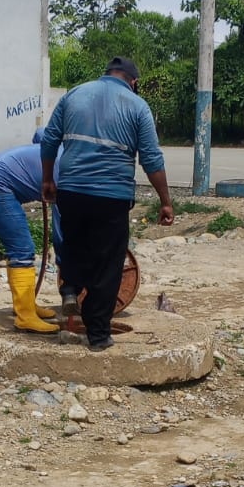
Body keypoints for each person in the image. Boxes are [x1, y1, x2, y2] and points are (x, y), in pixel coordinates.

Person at [40, 56, 174, 351]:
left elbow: (49, 140)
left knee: (74, 243)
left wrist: (48, 179)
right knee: (108, 263)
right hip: (112, 196)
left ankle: (70, 288)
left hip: (72, 190)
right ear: (133, 82)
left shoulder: (74, 94)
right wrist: (165, 201)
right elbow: (152, 159)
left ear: (107, 73)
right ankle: (98, 335)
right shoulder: (137, 106)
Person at [0, 132, 70, 333]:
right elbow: (62, 231)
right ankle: (25, 316)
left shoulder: (64, 150)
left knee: (21, 247)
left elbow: (40, 133)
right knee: (22, 249)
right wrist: (66, 264)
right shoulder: (69, 175)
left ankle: (26, 306)